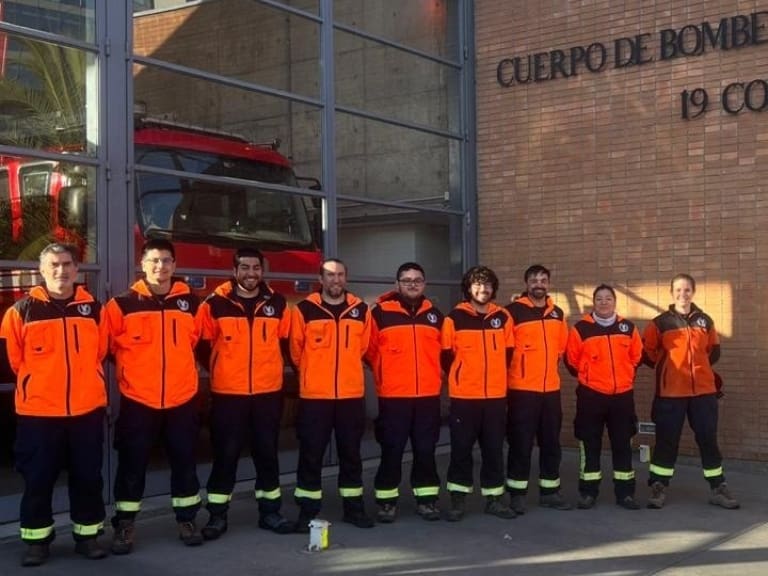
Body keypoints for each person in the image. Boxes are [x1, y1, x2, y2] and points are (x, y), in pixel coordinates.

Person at [0, 243, 108, 566]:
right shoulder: (20, 311)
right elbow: (13, 363)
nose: (61, 271)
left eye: (67, 264)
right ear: (42, 271)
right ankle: (37, 541)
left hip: (86, 412)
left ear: (77, 270)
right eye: (53, 265)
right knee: (38, 478)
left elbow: (100, 353)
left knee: (88, 477)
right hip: (39, 415)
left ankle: (88, 538)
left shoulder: (95, 310)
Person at [105, 239, 204, 554]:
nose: (160, 266)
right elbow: (107, 349)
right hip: (139, 401)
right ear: (142, 264)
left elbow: (201, 344)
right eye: (153, 261)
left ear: (174, 265)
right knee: (131, 466)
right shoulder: (121, 305)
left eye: (166, 260)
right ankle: (124, 525)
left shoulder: (193, 303)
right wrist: (131, 375)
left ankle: (187, 520)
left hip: (182, 398)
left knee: (185, 464)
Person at [196, 247, 294, 538]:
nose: (251, 274)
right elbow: (202, 345)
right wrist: (220, 367)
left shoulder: (277, 303)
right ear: (234, 270)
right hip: (229, 394)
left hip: (267, 393)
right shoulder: (215, 303)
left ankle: (271, 513)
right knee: (225, 455)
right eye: (245, 268)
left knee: (267, 455)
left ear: (262, 271)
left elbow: (287, 344)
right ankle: (217, 516)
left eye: (256, 268)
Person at [290, 258, 374, 531]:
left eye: (340, 275)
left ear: (345, 279)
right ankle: (307, 510)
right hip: (315, 396)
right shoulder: (304, 310)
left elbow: (364, 347)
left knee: (351, 453)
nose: (335, 280)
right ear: (321, 279)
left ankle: (353, 508)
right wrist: (313, 375)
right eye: (329, 275)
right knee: (311, 454)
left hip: (350, 395)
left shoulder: (361, 310)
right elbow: (295, 351)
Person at [642, 273, 739, 510]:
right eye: (678, 290)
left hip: (703, 393)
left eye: (686, 290)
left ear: (692, 292)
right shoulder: (660, 322)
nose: (682, 294)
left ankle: (718, 487)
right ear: (671, 292)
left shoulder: (705, 321)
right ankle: (659, 486)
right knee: (667, 441)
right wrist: (670, 372)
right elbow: (648, 353)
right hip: (670, 394)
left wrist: (699, 371)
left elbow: (713, 351)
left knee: (708, 439)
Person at [366, 262, 444, 523]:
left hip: (427, 398)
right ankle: (386, 502)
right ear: (396, 283)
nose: (412, 283)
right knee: (392, 450)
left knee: (425, 450)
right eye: (406, 279)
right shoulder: (379, 314)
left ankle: (427, 500)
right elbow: (368, 350)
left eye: (417, 280)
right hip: (394, 397)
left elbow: (445, 353)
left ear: (424, 284)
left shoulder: (435, 314)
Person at [441, 265, 516, 522]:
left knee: (494, 449)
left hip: (495, 397)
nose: (482, 289)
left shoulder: (504, 317)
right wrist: (463, 376)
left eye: (487, 285)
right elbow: (446, 357)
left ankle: (494, 499)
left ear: (493, 288)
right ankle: (458, 500)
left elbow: (508, 354)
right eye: (477, 284)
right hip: (464, 397)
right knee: (461, 449)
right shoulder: (454, 318)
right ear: (468, 287)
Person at [565, 284, 643, 510]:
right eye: (599, 299)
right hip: (591, 396)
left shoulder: (628, 327)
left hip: (622, 396)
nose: (604, 302)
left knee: (623, 444)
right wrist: (589, 376)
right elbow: (572, 361)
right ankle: (588, 492)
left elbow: (636, 356)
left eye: (608, 298)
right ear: (594, 302)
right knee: (589, 444)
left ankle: (625, 493)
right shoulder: (581, 329)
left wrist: (625, 375)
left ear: (615, 302)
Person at [505, 264, 571, 513]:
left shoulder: (558, 313)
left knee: (551, 442)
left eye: (543, 279)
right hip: (522, 389)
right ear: (526, 283)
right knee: (520, 443)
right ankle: (517, 493)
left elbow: (561, 348)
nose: (539, 284)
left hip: (550, 390)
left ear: (549, 283)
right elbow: (505, 349)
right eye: (534, 279)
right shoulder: (512, 312)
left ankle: (550, 491)